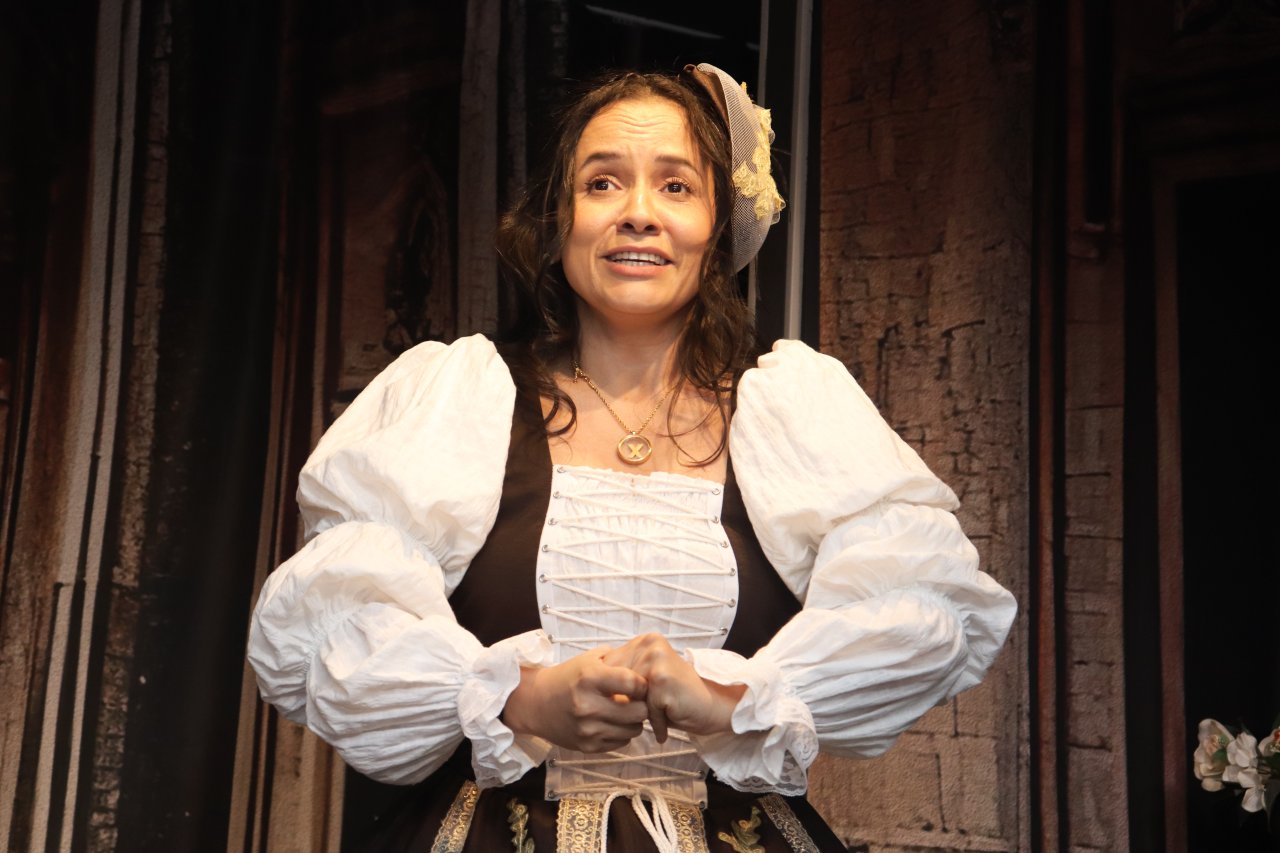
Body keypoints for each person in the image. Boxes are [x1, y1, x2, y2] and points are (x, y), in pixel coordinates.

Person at [248, 62, 1016, 853]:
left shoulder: (794, 411)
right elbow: (333, 624)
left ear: (718, 227)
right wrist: (520, 698)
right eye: (603, 184)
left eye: (676, 186)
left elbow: (927, 610)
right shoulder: (461, 398)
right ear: (560, 221)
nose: (639, 214)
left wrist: (732, 702)